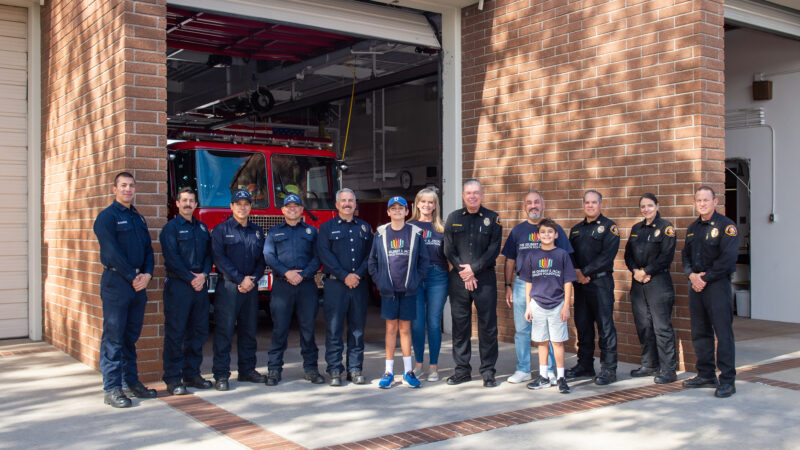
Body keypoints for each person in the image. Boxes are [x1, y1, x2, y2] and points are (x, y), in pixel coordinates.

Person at [92, 172, 156, 408]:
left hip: (138, 284)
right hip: (117, 283)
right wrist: (133, 276)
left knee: (130, 336)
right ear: (114, 189)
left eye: (131, 186)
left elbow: (148, 250)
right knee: (114, 337)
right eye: (123, 185)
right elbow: (111, 252)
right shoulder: (106, 217)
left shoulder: (138, 218)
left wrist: (147, 274)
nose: (128, 189)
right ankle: (112, 388)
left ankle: (130, 382)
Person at [502, 190, 574, 385]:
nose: (533, 206)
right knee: (522, 329)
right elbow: (510, 260)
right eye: (529, 202)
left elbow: (566, 259)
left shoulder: (555, 229)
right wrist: (508, 285)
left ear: (543, 205)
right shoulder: (517, 231)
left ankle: (548, 371)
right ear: (524, 207)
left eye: (536, 202)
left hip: (550, 286)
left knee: (549, 332)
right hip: (522, 284)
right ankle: (523, 369)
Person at [443, 179, 503, 387]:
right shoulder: (453, 218)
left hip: (484, 279)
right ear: (463, 195)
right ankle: (462, 371)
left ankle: (488, 372)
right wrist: (464, 272)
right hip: (459, 280)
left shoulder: (493, 218)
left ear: (482, 195)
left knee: (488, 326)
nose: (472, 196)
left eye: (476, 192)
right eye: (468, 193)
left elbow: (494, 249)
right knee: (460, 326)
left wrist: (473, 270)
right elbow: (448, 249)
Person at [681, 186, 739, 398]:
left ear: (715, 201)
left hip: (716, 285)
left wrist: (704, 279)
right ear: (694, 203)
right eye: (699, 200)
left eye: (706, 200)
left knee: (723, 333)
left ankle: (727, 381)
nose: (702, 204)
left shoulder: (726, 226)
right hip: (696, 285)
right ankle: (705, 375)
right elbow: (685, 256)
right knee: (700, 331)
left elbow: (728, 259)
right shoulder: (692, 228)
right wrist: (691, 275)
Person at [263, 194, 325, 386]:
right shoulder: (274, 232)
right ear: (283, 210)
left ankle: (311, 369)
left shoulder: (311, 231)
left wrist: (304, 274)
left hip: (306, 286)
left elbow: (318, 257)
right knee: (279, 329)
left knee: (308, 329)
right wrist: (287, 272)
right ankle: (274, 370)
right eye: (288, 206)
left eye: (296, 206)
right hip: (282, 285)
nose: (292, 209)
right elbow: (269, 256)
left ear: (301, 210)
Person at [368, 196, 430, 389]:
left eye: (400, 208)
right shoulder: (380, 233)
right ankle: (388, 372)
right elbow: (372, 261)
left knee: (405, 329)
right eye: (393, 208)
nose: (397, 211)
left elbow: (424, 261)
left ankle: (408, 372)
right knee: (390, 329)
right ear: (388, 212)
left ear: (407, 211)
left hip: (408, 290)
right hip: (389, 291)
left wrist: (415, 281)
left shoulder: (415, 233)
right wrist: (380, 281)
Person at [210, 190, 267, 391]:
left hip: (250, 287)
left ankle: (247, 370)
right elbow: (219, 259)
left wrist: (253, 279)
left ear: (251, 207)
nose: (243, 207)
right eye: (238, 204)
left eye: (246, 204)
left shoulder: (257, 231)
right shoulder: (221, 230)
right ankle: (221, 374)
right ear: (231, 207)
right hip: (229, 287)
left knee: (249, 331)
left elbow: (262, 260)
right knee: (224, 331)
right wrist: (240, 279)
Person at [159, 187, 214, 395]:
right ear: (177, 203)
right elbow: (171, 258)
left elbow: (209, 255)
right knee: (176, 333)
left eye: (191, 200)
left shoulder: (202, 228)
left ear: (196, 204)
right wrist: (191, 278)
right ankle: (173, 378)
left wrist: (204, 274)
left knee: (198, 332)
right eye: (184, 200)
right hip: (179, 286)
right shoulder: (170, 228)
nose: (188, 204)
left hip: (199, 286)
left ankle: (192, 374)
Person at [317, 188, 374, 386]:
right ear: (337, 204)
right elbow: (324, 255)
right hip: (335, 284)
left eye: (350, 200)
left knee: (357, 329)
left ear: (355, 204)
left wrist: (357, 275)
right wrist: (344, 276)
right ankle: (334, 369)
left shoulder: (365, 228)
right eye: (343, 200)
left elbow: (371, 255)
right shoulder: (326, 228)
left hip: (359, 284)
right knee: (334, 329)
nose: (347, 204)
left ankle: (355, 369)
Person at [567, 190, 621, 385]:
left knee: (605, 327)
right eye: (587, 202)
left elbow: (607, 256)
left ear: (601, 204)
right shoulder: (576, 230)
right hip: (581, 285)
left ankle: (609, 369)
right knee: (583, 325)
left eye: (594, 202)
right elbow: (570, 255)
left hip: (600, 283)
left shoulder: (609, 227)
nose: (590, 205)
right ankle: (585, 365)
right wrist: (577, 273)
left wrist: (584, 272)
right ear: (583, 205)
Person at [624, 193, 678, 384]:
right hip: (638, 282)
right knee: (644, 325)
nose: (646, 209)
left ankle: (668, 369)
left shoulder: (666, 228)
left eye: (649, 205)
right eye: (643, 206)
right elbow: (627, 255)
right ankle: (649, 365)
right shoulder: (636, 229)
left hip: (658, 281)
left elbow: (666, 255)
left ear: (657, 206)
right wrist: (635, 271)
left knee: (661, 327)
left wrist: (647, 271)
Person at [519, 219, 576, 394]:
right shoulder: (532, 256)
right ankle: (543, 376)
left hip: (557, 304)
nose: (546, 235)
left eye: (550, 232)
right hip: (537, 304)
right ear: (538, 235)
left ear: (556, 234)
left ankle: (561, 378)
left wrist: (566, 306)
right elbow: (528, 282)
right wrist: (528, 306)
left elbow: (568, 282)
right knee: (541, 342)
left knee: (557, 342)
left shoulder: (562, 255)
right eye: (543, 232)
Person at [408, 188, 449, 382]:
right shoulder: (409, 226)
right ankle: (418, 365)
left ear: (435, 206)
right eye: (423, 201)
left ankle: (433, 367)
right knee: (417, 323)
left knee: (433, 322)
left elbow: (450, 256)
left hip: (437, 277)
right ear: (417, 204)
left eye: (430, 202)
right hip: (415, 277)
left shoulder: (442, 227)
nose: (426, 205)